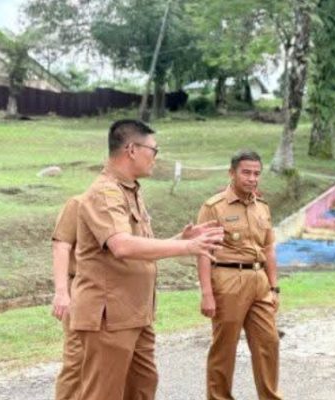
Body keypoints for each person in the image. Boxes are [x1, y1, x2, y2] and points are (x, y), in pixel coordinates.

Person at [71, 119, 224, 400]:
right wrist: (187, 246)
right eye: (154, 150)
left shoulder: (130, 190)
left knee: (142, 388)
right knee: (104, 393)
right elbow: (122, 246)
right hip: (110, 317)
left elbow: (140, 248)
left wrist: (180, 239)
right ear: (131, 150)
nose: (156, 157)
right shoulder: (105, 192)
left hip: (136, 313)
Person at [196, 150, 281, 400]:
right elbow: (203, 251)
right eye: (246, 172)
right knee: (225, 348)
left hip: (259, 280)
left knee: (269, 343)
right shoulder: (214, 207)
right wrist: (207, 294)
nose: (252, 178)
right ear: (231, 173)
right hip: (228, 279)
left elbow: (268, 249)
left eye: (257, 173)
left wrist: (274, 288)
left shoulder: (262, 207)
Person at [51, 195, 82, 400]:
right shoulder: (79, 203)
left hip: (115, 294)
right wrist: (61, 293)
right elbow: (61, 245)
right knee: (77, 360)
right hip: (80, 287)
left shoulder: (131, 201)